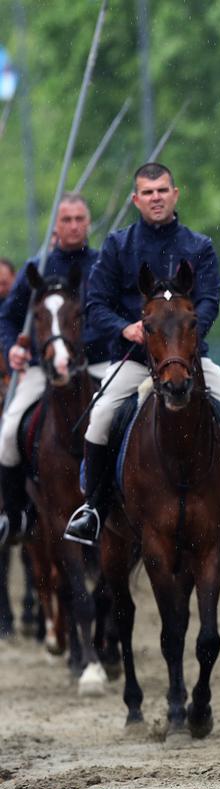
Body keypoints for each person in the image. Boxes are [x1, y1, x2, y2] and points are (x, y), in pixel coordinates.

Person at [65, 163, 220, 549]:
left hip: (188, 360)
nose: (156, 198)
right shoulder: (117, 246)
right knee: (100, 418)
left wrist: (185, 339)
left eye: (162, 191)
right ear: (135, 200)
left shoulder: (200, 246)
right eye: (148, 192)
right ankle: (93, 510)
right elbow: (96, 303)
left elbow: (209, 301)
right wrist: (126, 328)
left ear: (176, 194)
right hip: (134, 359)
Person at [0, 194, 113, 544]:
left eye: (80, 218)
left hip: (99, 363)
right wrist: (11, 352)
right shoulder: (39, 267)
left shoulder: (105, 264)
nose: (74, 225)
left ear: (88, 223)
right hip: (42, 367)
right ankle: (16, 514)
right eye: (67, 219)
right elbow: (7, 317)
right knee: (7, 435)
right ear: (56, 225)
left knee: (133, 419)